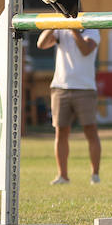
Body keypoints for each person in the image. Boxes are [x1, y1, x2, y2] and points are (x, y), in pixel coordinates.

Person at [37, 27, 102, 184]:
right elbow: (41, 44)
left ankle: (95, 175)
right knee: (61, 132)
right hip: (61, 87)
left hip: (85, 88)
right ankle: (63, 175)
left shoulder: (92, 30)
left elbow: (85, 50)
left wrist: (74, 31)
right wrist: (52, 24)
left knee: (90, 131)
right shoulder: (60, 29)